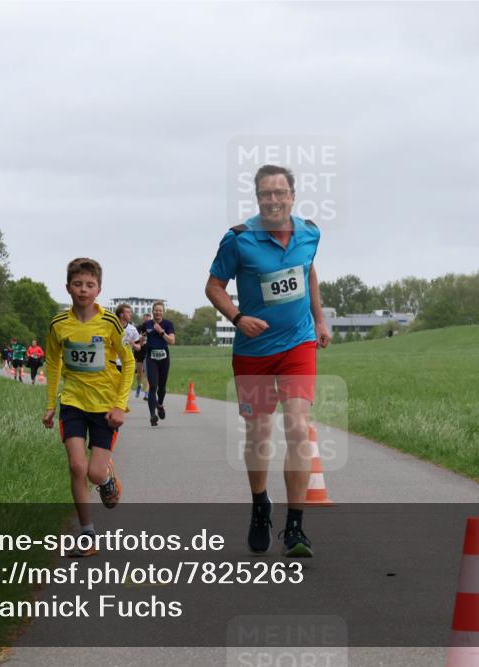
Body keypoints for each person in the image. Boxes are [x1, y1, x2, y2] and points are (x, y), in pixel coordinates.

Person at [205, 164, 331, 558]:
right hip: (253, 351)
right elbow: (214, 286)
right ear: (257, 197)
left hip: (297, 346)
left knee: (297, 427)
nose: (273, 200)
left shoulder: (310, 232)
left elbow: (308, 272)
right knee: (259, 434)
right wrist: (237, 318)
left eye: (280, 193)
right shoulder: (238, 239)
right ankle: (260, 504)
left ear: (292, 196)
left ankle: (295, 526)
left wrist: (319, 319)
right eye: (265, 194)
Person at [42, 257, 134, 556]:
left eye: (89, 285)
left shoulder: (110, 323)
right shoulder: (59, 324)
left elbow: (129, 362)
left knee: (94, 473)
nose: (83, 289)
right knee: (76, 466)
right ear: (68, 287)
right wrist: (50, 405)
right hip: (73, 402)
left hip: (105, 406)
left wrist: (120, 405)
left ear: (99, 290)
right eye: (78, 284)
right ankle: (87, 534)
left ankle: (106, 477)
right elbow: (53, 362)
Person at [141, 302, 175, 427]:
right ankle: (152, 416)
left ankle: (159, 405)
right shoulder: (147, 325)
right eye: (156, 310)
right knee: (153, 386)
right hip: (151, 358)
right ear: (152, 311)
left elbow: (172, 341)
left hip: (164, 358)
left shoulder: (168, 324)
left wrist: (161, 332)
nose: (158, 312)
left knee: (162, 388)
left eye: (160, 310)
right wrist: (139, 342)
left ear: (163, 312)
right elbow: (140, 338)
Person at [114, 304, 142, 377]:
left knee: (125, 384)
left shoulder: (133, 329)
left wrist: (133, 344)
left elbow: (139, 347)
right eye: (128, 312)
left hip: (127, 363)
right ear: (121, 314)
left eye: (130, 312)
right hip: (113, 363)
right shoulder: (112, 327)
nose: (130, 314)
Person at [136, 313, 152, 399]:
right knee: (139, 374)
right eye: (146, 320)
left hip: (148, 352)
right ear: (143, 319)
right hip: (139, 352)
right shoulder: (139, 328)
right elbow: (135, 340)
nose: (147, 322)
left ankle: (147, 393)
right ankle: (139, 385)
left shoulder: (152, 328)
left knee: (147, 373)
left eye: (149, 320)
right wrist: (141, 339)